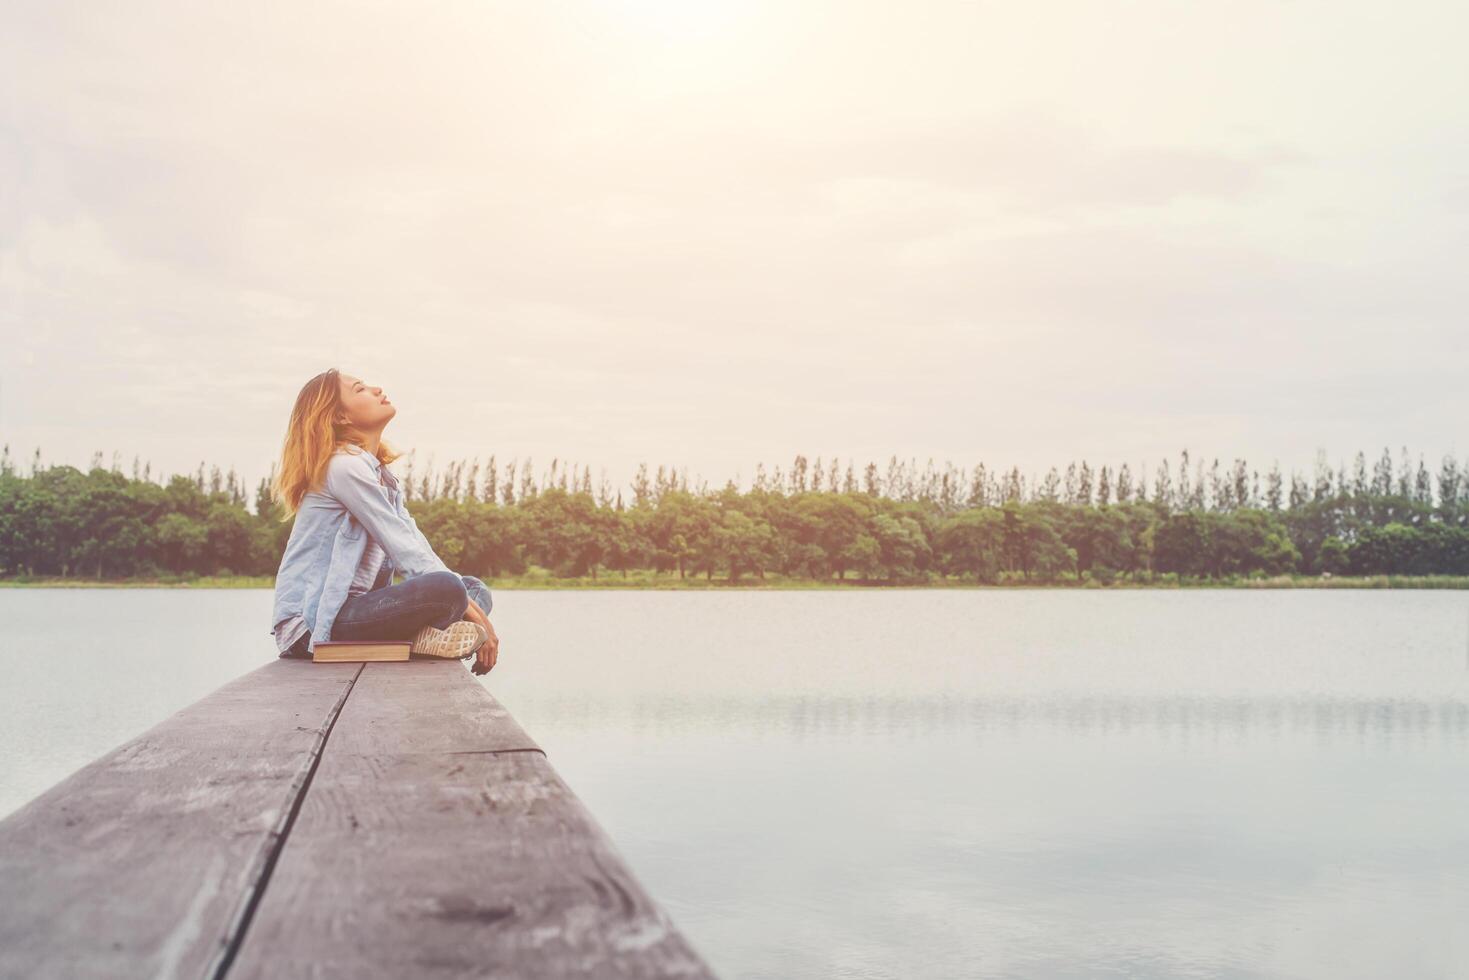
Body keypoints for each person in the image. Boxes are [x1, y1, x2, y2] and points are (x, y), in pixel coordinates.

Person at [267, 369, 500, 675]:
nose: (377, 390)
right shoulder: (343, 467)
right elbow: (404, 551)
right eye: (360, 389)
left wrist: (467, 602)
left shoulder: (380, 476)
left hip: (353, 611)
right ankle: (421, 636)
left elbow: (416, 545)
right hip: (312, 624)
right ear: (340, 417)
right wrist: (483, 624)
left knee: (471, 587)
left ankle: (420, 637)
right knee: (451, 589)